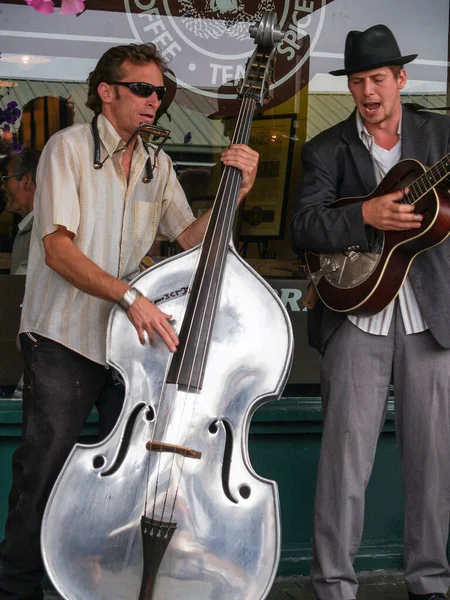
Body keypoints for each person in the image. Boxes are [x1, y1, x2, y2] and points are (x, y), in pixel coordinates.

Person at [0, 42, 258, 600]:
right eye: (142, 88)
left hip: (126, 351)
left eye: (160, 91)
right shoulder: (65, 149)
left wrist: (237, 191)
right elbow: (58, 251)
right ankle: (18, 590)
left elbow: (190, 241)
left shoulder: (157, 163)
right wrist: (130, 297)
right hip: (63, 339)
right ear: (107, 91)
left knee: (124, 485)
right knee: (41, 476)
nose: (154, 100)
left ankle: (94, 586)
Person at [291, 24, 450, 600]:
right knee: (344, 464)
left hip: (430, 316)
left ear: (401, 78)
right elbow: (304, 226)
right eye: (358, 81)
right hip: (356, 318)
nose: (368, 92)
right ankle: (334, 585)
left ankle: (429, 583)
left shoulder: (441, 137)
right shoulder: (325, 148)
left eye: (378, 79)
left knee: (432, 466)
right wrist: (366, 215)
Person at [1, 149, 40, 275]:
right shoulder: (29, 228)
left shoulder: (42, 231)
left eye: (6, 178)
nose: (2, 186)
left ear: (27, 181)